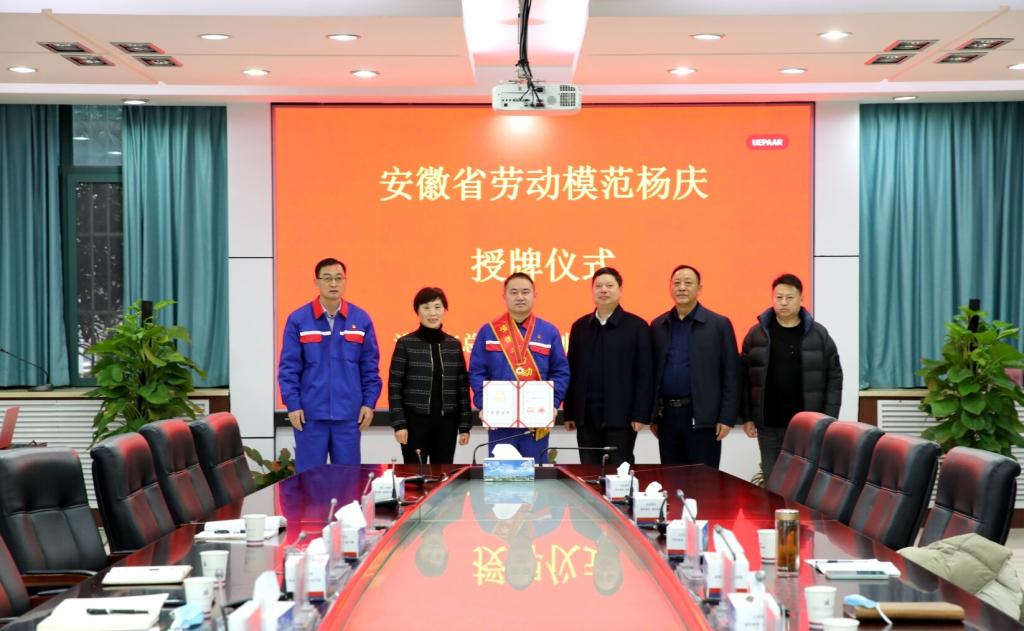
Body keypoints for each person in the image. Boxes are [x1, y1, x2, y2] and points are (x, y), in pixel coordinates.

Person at [278, 257, 381, 472]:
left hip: (349, 416)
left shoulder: (361, 319)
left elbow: (370, 368)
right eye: (327, 278)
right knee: (309, 478)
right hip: (310, 416)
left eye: (338, 278)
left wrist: (369, 403)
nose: (333, 284)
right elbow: (288, 369)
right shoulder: (299, 319)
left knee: (347, 478)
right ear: (316, 282)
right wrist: (293, 404)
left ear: (345, 281)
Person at [741, 273, 843, 479]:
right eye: (779, 297)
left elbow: (834, 379)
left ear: (801, 299)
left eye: (790, 297)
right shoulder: (756, 335)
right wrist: (747, 417)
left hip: (807, 426)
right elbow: (743, 379)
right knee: (772, 479)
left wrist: (828, 419)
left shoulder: (818, 335)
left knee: (802, 481)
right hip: (768, 425)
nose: (784, 302)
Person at [469, 272, 570, 461]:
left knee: (536, 472)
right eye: (514, 292)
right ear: (504, 296)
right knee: (502, 473)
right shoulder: (488, 331)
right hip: (500, 420)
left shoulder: (549, 332)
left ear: (534, 295)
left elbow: (560, 372)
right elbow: (477, 372)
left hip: (536, 421)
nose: (520, 297)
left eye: (525, 292)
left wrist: (553, 403)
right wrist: (485, 404)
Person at [651, 264, 740, 467]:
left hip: (703, 416)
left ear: (699, 288)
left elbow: (732, 375)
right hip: (667, 417)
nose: (682, 287)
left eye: (688, 283)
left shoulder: (719, 325)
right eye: (677, 283)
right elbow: (652, 374)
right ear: (670, 288)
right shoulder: (658, 325)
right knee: (671, 477)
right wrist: (654, 416)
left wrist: (727, 418)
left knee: (704, 479)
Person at [564, 267, 653, 466]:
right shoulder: (580, 327)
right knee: (589, 471)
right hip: (587, 418)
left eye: (609, 285)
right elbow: (572, 372)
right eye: (598, 286)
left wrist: (640, 413)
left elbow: (645, 374)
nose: (603, 290)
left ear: (620, 290)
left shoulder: (637, 326)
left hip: (622, 418)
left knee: (620, 472)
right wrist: (569, 412)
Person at [388, 287, 472, 464]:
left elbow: (462, 388)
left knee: (443, 473)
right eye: (426, 307)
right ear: (417, 311)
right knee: (414, 474)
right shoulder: (405, 344)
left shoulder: (453, 345)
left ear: (444, 310)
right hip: (414, 423)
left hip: (446, 424)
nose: (432, 313)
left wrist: (465, 426)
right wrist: (399, 424)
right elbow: (395, 386)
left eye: (437, 307)